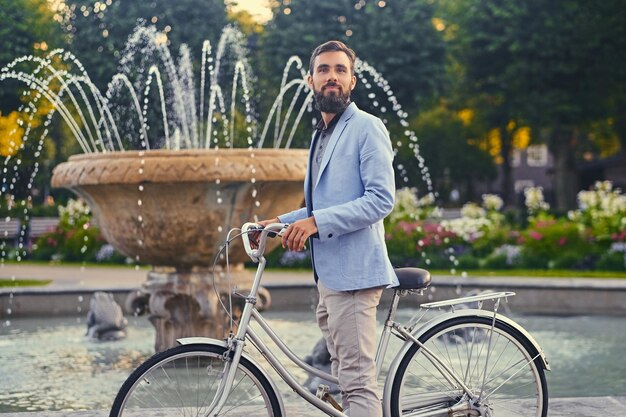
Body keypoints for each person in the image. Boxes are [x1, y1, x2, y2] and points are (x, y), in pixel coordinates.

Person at [256, 40, 398, 417]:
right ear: (310, 80)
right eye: (324, 70)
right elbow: (321, 205)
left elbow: (381, 200)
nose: (331, 77)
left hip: (354, 276)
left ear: (352, 81)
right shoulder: (321, 135)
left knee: (356, 381)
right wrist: (279, 222)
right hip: (328, 278)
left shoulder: (367, 127)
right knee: (342, 375)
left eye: (339, 70)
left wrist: (315, 222)